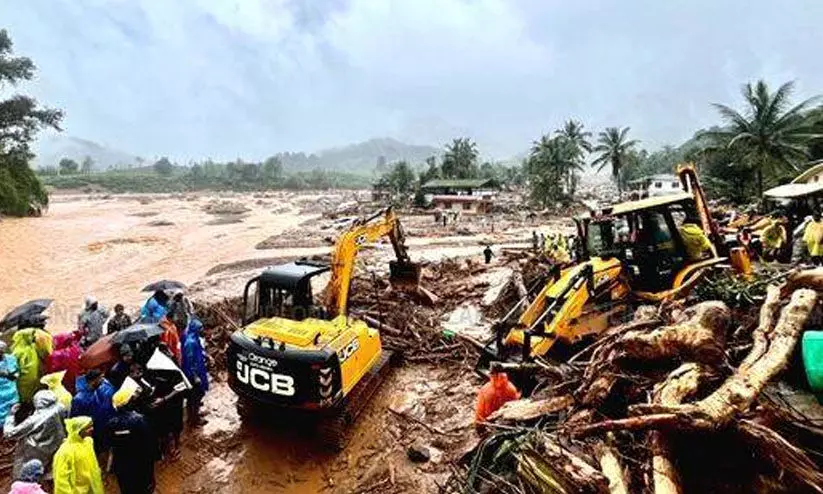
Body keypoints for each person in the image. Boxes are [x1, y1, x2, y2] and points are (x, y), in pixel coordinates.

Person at [107, 378, 156, 494]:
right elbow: (148, 443)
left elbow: (111, 443)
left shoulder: (111, 423)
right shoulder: (139, 420)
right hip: (140, 462)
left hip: (122, 465)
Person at [3, 390, 66, 480]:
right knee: (48, 467)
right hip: (56, 443)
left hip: (35, 449)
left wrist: (11, 416)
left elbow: (9, 433)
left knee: (24, 470)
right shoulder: (60, 407)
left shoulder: (34, 420)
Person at [52, 416, 104, 494]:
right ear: (79, 430)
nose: (92, 429)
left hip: (91, 487)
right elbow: (61, 480)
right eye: (88, 427)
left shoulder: (88, 442)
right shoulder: (65, 452)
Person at [71, 369, 115, 453]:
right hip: (89, 432)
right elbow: (75, 419)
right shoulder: (79, 399)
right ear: (93, 381)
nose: (103, 381)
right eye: (101, 378)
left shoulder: (97, 390)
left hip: (98, 429)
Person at [182, 319, 209, 426]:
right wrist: (195, 376)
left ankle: (195, 414)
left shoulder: (196, 339)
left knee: (198, 395)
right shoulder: (190, 342)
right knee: (194, 396)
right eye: (200, 328)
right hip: (192, 374)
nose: (203, 330)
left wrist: (207, 356)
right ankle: (194, 420)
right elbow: (189, 361)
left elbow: (200, 351)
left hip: (198, 368)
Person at [11, 328, 42, 403]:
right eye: (32, 335)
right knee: (23, 397)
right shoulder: (19, 351)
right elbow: (15, 367)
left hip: (32, 379)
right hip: (23, 381)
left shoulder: (32, 347)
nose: (34, 337)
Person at [0, 341, 20, 427]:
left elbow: (16, 375)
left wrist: (6, 374)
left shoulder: (11, 359)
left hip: (10, 392)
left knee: (10, 413)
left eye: (1, 353)